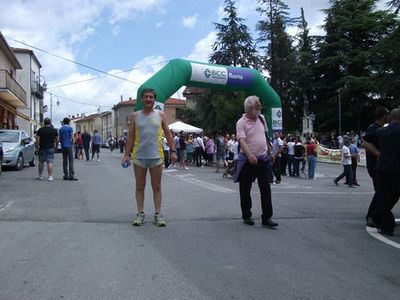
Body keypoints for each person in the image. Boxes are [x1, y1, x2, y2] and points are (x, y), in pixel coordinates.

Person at [122, 88, 177, 227]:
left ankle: (158, 215)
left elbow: (168, 134)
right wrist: (126, 155)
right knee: (140, 186)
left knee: (156, 186)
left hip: (156, 156)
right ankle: (140, 214)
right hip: (139, 157)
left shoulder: (161, 115)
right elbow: (130, 137)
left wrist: (173, 150)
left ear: (154, 99)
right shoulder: (135, 116)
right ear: (142, 99)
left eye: (151, 97)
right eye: (146, 97)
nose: (148, 99)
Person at [233, 95, 278, 228]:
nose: (260, 107)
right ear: (249, 108)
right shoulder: (241, 122)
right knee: (245, 189)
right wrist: (249, 155)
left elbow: (265, 136)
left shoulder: (261, 118)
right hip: (247, 160)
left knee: (266, 188)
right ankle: (247, 215)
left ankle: (267, 217)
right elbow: (242, 140)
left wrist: (270, 151)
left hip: (263, 159)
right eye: (258, 106)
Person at [362, 108, 400, 236]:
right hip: (397, 169)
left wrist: (378, 153)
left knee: (382, 196)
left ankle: (384, 223)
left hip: (382, 168)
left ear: (391, 117)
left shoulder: (380, 131)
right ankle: (377, 217)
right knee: (392, 197)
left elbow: (365, 140)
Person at [362, 107, 390, 223]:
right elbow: (365, 142)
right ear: (383, 116)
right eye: (387, 114)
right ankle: (372, 215)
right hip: (375, 164)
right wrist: (377, 153)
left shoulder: (378, 128)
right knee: (380, 191)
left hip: (377, 164)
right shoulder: (374, 128)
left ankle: (377, 214)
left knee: (381, 190)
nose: (389, 116)